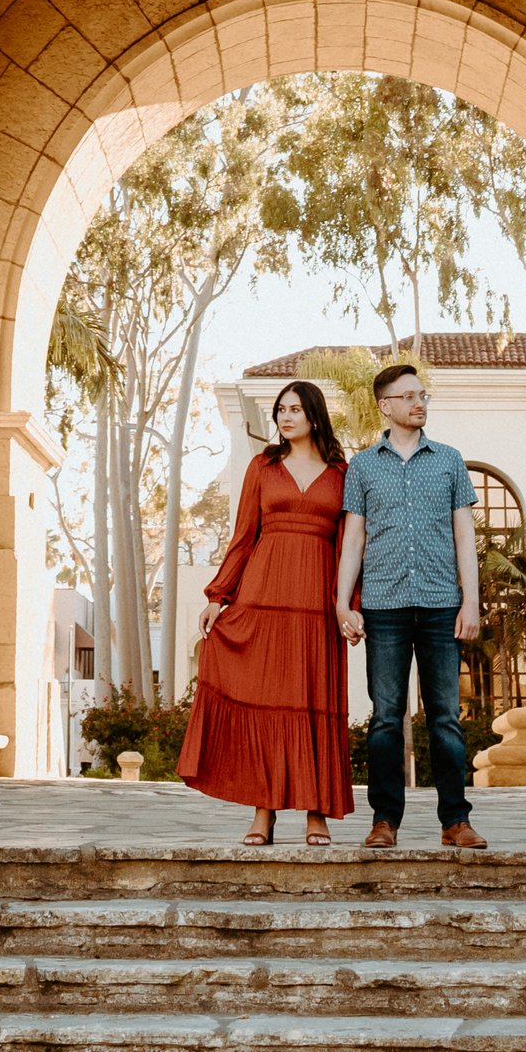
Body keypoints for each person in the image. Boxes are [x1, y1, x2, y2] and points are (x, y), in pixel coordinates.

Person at [180, 378, 353, 845]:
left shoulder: (342, 472)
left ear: (315, 415)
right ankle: (264, 811)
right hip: (263, 596)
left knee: (314, 701)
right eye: (281, 410)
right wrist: (219, 596)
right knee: (269, 701)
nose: (285, 417)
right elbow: (243, 537)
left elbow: (351, 545)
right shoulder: (262, 466)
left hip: (316, 604)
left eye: (295, 409)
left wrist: (350, 607)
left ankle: (317, 812)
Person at [336, 360, 492, 853]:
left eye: (422, 395)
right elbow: (354, 539)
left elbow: (464, 535)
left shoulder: (448, 460)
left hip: (443, 605)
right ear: (386, 406)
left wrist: (472, 601)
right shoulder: (362, 466)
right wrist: (343, 603)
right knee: (386, 717)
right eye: (408, 396)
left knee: (445, 715)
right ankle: (385, 821)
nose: (419, 402)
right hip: (383, 607)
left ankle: (455, 821)